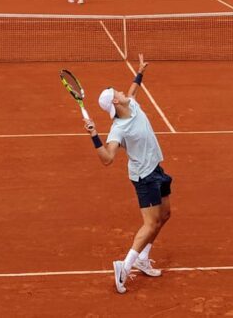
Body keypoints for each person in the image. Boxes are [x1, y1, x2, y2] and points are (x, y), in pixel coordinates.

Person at [83, 56, 169, 294]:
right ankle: (125, 266)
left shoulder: (130, 102)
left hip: (156, 168)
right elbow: (108, 159)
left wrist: (140, 73)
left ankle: (143, 258)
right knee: (151, 223)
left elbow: (132, 89)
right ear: (115, 103)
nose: (121, 91)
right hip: (144, 176)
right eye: (116, 93)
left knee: (165, 214)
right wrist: (94, 135)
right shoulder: (117, 129)